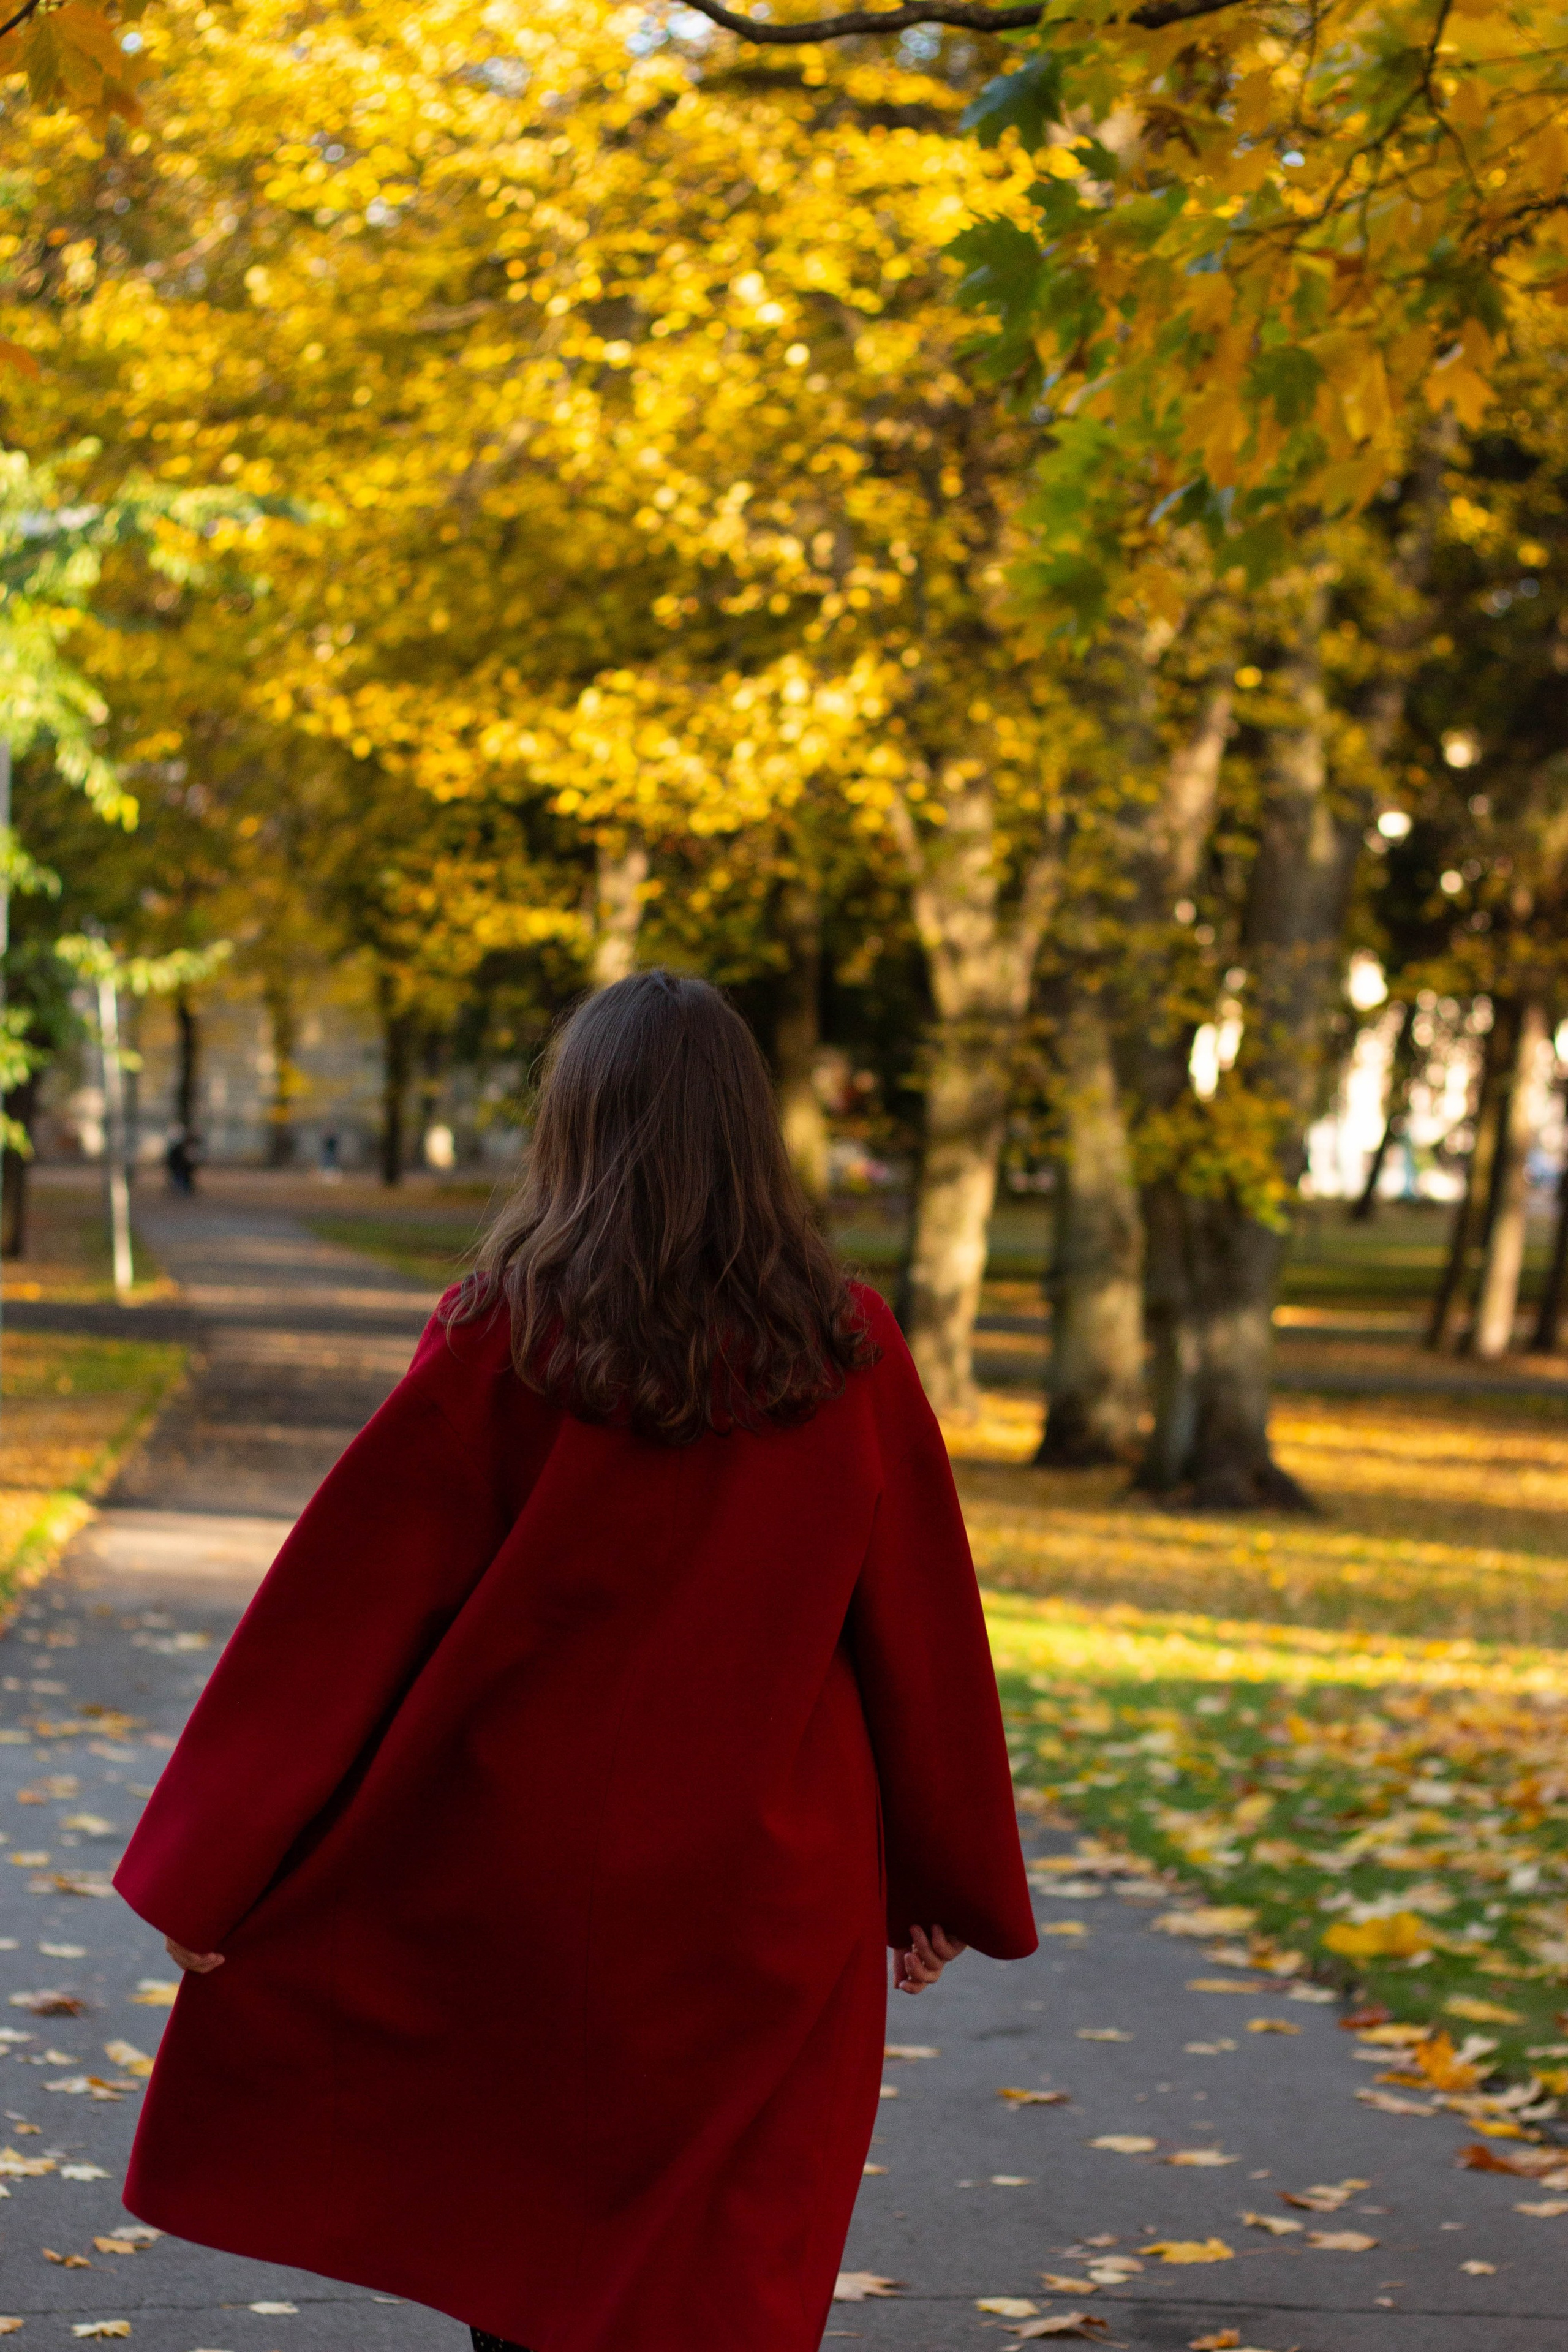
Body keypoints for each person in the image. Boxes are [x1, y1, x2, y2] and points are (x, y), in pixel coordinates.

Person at [113, 971, 1036, 2352]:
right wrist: (939, 1872)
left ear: (575, 1129)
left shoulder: (502, 1337)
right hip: (768, 1908)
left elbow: (348, 1609)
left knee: (526, 2253)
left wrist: (215, 1862)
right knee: (719, 2277)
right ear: (751, 1134)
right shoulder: (847, 1350)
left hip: (517, 1879)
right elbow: (922, 1629)